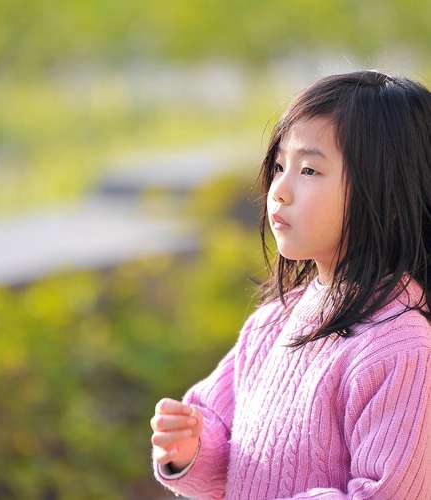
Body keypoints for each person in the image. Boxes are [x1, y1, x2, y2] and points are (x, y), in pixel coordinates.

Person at [149, 70, 431, 499]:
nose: (279, 190)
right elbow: (224, 439)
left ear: (390, 196)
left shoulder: (400, 349)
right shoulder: (272, 323)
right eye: (280, 166)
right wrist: (190, 447)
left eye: (310, 170)